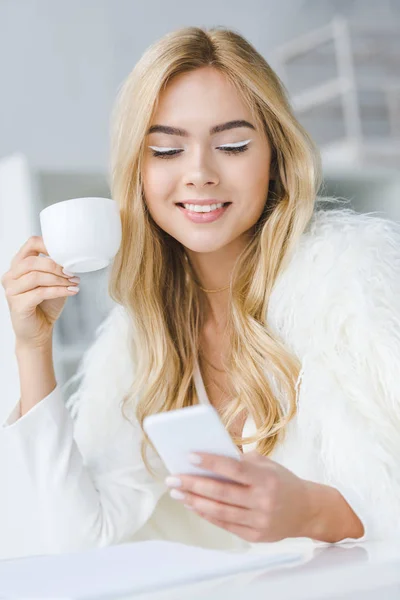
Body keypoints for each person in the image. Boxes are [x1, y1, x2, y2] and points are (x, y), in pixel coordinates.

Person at [1, 25, 400, 561]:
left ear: (276, 157)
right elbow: (72, 539)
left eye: (232, 145)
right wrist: (33, 349)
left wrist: (315, 511)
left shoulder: (356, 287)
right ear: (137, 172)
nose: (199, 174)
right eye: (166, 150)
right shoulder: (139, 339)